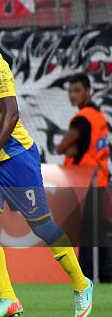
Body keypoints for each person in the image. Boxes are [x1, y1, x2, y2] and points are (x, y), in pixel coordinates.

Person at [0, 8, 93, 317]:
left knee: (41, 225)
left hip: (15, 157)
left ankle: (81, 283)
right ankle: (8, 299)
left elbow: (11, 114)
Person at [56, 73, 110, 281]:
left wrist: (68, 149)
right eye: (70, 91)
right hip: (101, 179)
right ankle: (103, 275)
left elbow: (61, 147)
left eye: (77, 90)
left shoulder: (82, 118)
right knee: (99, 230)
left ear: (88, 91)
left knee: (87, 233)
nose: (73, 95)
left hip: (86, 181)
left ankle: (86, 276)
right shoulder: (99, 117)